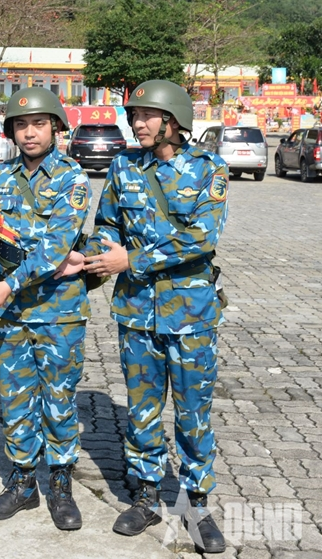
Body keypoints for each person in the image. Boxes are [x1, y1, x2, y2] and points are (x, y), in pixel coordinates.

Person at [80, 80, 228, 554]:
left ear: (173, 120)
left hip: (191, 314)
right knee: (142, 410)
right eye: (133, 115)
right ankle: (144, 496)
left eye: (147, 115)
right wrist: (96, 257)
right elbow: (107, 225)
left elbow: (201, 239)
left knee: (192, 413)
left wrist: (132, 261)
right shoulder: (124, 166)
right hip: (138, 314)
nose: (137, 123)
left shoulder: (210, 169)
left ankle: (196, 503)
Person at [0, 87, 90, 531]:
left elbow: (56, 247)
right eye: (20, 125)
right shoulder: (0, 177)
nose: (29, 133)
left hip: (57, 312)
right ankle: (23, 483)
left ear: (56, 127)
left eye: (38, 124)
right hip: (10, 313)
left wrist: (9, 281)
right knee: (16, 398)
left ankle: (60, 484)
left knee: (59, 401)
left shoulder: (71, 178)